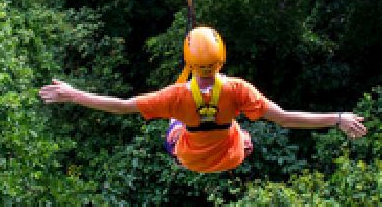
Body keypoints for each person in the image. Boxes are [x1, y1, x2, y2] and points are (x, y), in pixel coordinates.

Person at [39, 26, 367, 173]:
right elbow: (285, 118)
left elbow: (122, 106)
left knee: (174, 126)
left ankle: (187, 135)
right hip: (231, 155)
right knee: (241, 128)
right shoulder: (239, 89)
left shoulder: (176, 95)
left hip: (190, 158)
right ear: (222, 59)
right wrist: (337, 118)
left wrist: (73, 94)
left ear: (188, 61)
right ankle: (233, 136)